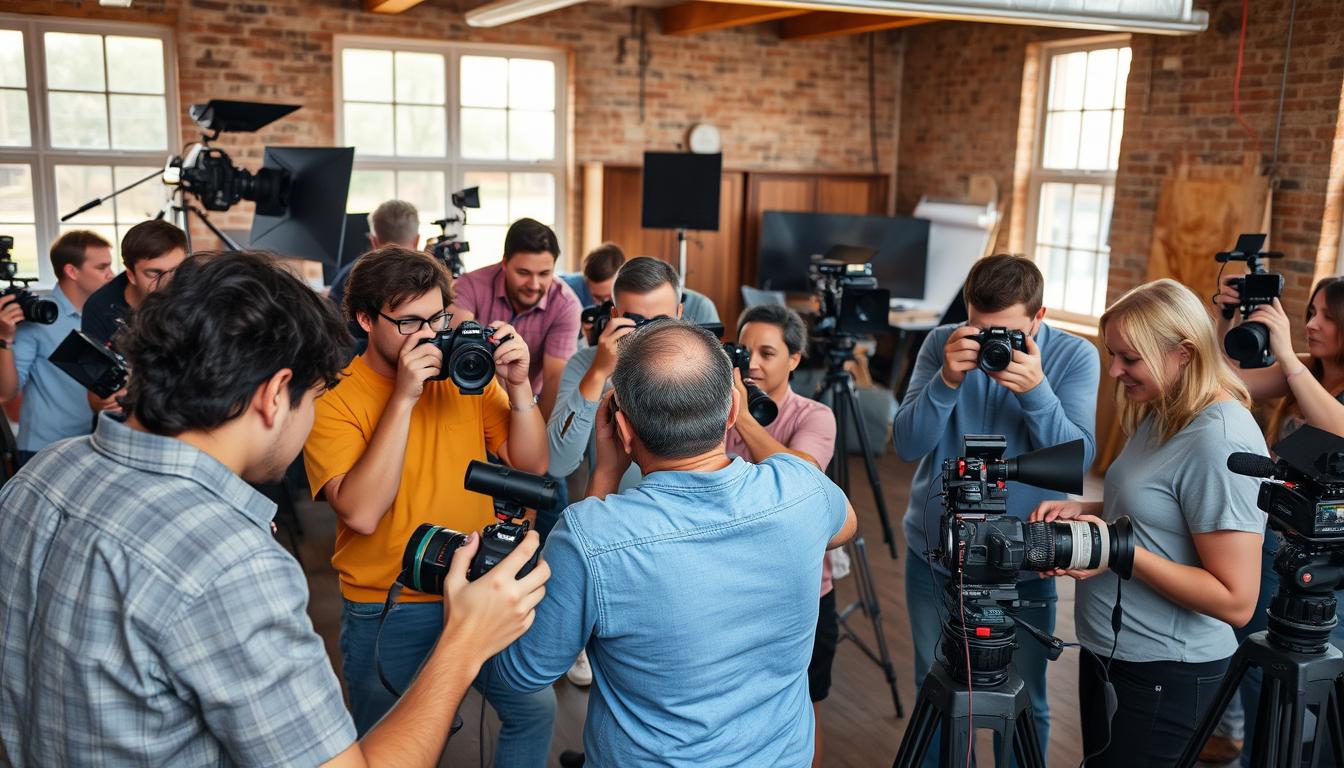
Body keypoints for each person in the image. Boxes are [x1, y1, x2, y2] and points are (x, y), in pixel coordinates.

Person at [0, 250, 549, 767]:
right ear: (274, 393)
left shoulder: (39, 476)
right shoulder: (234, 563)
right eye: (311, 398)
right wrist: (463, 641)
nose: (311, 416)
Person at [488, 320, 858, 767]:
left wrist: (604, 474)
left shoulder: (591, 537)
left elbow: (522, 672)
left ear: (623, 430)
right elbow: (845, 526)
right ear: (731, 412)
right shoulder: (802, 488)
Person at [302, 245, 554, 767]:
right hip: (387, 604)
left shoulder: (466, 375)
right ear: (366, 319)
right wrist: (404, 397)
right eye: (409, 322)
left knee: (534, 711)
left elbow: (530, 467)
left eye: (437, 318)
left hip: (475, 591)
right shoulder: (333, 398)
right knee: (391, 747)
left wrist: (518, 386)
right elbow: (361, 512)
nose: (427, 334)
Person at [1031, 278, 1266, 767]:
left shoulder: (1220, 439)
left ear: (1183, 352)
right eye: (1112, 354)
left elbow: (1237, 601)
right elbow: (1164, 514)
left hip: (1166, 672)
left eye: (1129, 359)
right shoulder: (1165, 409)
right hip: (1112, 654)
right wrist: (1091, 511)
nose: (1115, 370)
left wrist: (1118, 551)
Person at [892, 253, 1100, 766]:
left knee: (1026, 701)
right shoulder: (942, 342)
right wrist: (945, 381)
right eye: (979, 329)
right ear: (966, 312)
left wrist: (1037, 392)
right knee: (935, 688)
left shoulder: (1075, 356)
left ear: (1039, 317)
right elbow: (905, 443)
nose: (991, 344)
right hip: (937, 553)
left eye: (1006, 332)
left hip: (1024, 558)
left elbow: (1078, 461)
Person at [1199, 276, 1344, 764]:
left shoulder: (1302, 373)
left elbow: (1338, 429)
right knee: (1257, 659)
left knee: (1323, 689)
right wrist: (1221, 318)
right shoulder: (1306, 371)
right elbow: (1224, 381)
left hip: (1332, 567)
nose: (1311, 324)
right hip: (1277, 542)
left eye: (1326, 316)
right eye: (1310, 312)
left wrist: (1284, 352)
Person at [545, 255, 684, 687]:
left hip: (682, 536)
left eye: (661, 320)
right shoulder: (586, 364)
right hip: (614, 538)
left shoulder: (699, 366)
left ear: (680, 314)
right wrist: (599, 373)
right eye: (635, 320)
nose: (648, 334)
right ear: (615, 315)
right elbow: (557, 461)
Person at [725, 303, 839, 768]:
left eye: (767, 352)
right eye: (745, 349)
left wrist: (742, 415)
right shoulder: (714, 413)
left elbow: (799, 478)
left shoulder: (816, 417)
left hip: (802, 593)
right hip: (732, 587)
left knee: (802, 713)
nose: (752, 361)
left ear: (794, 359)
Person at [0, 231, 112, 466]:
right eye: (102, 268)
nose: (111, 275)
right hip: (44, 450)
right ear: (72, 272)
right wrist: (4, 339)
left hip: (96, 444)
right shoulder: (37, 319)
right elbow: (7, 393)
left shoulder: (105, 316)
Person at [453, 217, 580, 419]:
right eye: (523, 272)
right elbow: (459, 345)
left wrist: (537, 434)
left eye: (545, 273)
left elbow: (554, 381)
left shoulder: (566, 306)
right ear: (504, 263)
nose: (534, 284)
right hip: (470, 398)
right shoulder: (469, 285)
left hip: (531, 402)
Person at [82, 219, 188, 415]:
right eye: (154, 273)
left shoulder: (195, 295)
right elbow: (96, 400)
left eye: (176, 271)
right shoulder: (99, 307)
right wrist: (106, 398)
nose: (167, 283)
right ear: (130, 274)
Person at [327, 199, 421, 324]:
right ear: (417, 240)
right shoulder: (429, 278)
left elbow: (332, 322)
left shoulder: (350, 276)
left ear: (373, 241)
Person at [561, 241, 624, 311]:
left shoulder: (630, 294)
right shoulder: (565, 290)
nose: (604, 303)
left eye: (609, 297)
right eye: (597, 297)